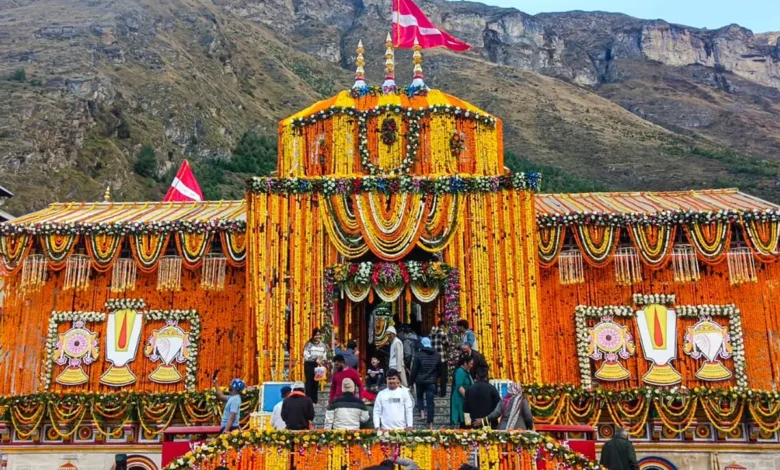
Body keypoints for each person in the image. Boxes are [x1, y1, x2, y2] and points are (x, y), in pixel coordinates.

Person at [410, 337, 440, 427]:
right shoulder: (437, 355)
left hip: (419, 381)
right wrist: (434, 378)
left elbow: (414, 370)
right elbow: (439, 369)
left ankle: (422, 414)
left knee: (419, 397)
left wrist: (411, 382)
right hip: (431, 382)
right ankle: (430, 423)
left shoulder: (418, 355)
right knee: (430, 402)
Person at [303, 328, 329, 404]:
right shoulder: (309, 344)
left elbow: (324, 355)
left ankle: (314, 401)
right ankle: (308, 400)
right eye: (316, 335)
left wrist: (322, 361)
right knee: (309, 382)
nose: (318, 336)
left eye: (319, 335)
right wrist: (315, 359)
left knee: (316, 383)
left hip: (318, 365)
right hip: (309, 364)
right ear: (313, 335)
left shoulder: (323, 345)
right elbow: (306, 355)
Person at [451, 356, 474, 427]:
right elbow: (459, 386)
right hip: (461, 398)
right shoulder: (460, 372)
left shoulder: (466, 372)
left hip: (465, 398)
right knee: (463, 417)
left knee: (466, 418)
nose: (472, 365)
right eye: (470, 364)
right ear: (465, 363)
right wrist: (467, 398)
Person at [429, 321, 451, 397]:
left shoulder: (431, 334)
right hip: (442, 358)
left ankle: (434, 392)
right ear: (443, 326)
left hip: (433, 358)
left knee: (434, 376)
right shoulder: (442, 333)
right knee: (443, 376)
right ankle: (442, 393)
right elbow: (447, 344)